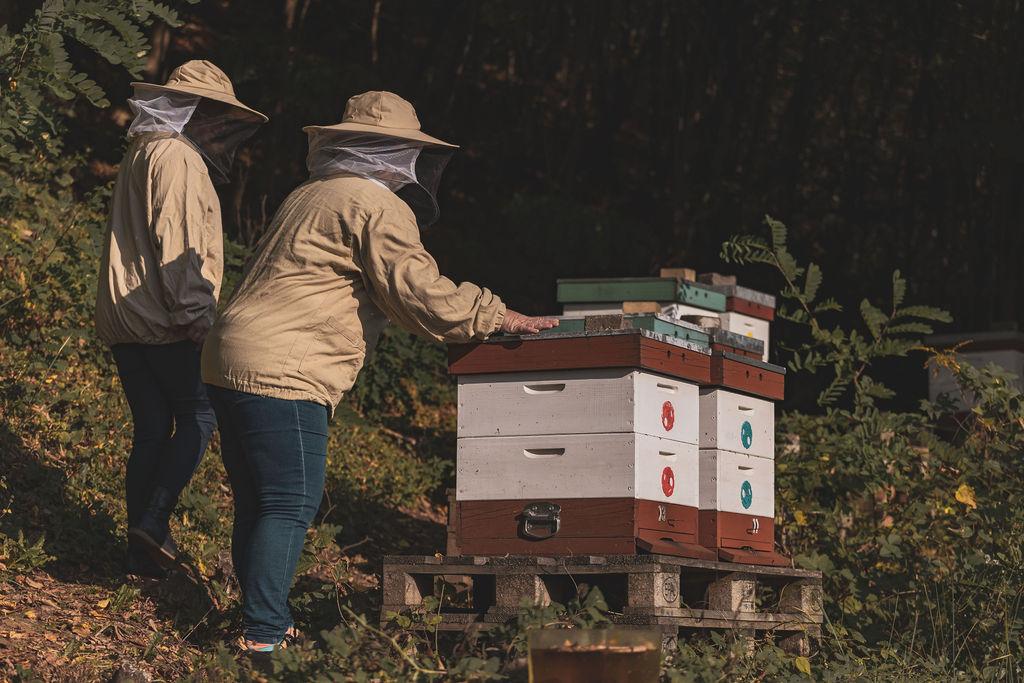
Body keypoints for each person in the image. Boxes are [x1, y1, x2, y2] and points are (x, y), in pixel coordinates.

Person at [201, 91, 557, 652]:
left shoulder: (312, 192)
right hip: (284, 368)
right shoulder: (374, 203)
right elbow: (418, 293)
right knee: (290, 502)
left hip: (228, 357)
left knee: (259, 501)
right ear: (393, 152)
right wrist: (497, 315)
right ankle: (263, 636)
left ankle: (257, 622)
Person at [95, 60, 267, 577]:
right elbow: (179, 245)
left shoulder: (143, 150)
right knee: (199, 416)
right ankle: (153, 521)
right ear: (194, 112)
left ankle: (139, 554)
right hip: (164, 318)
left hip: (127, 316)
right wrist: (196, 317)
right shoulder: (176, 157)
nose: (218, 127)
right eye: (214, 115)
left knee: (151, 428)